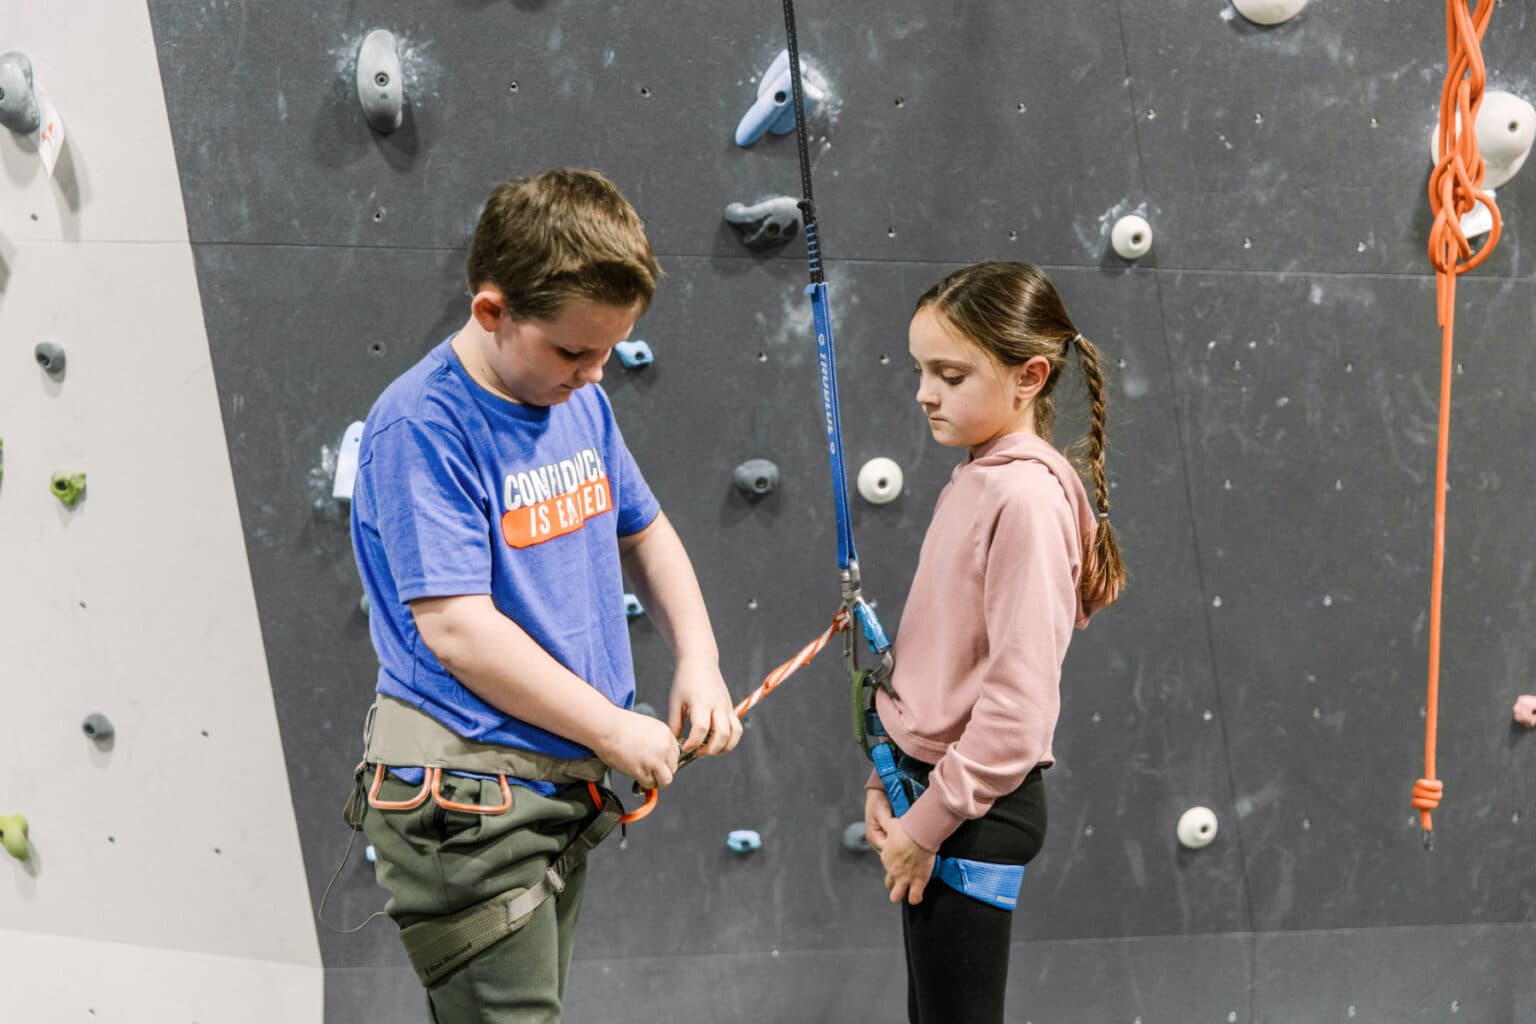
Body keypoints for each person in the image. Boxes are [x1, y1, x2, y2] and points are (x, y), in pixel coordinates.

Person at [347, 168, 742, 1022]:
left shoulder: (572, 400)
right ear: (492, 312)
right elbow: (458, 630)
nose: (595, 374)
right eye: (573, 350)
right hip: (472, 801)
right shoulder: (424, 425)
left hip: (556, 779)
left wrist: (700, 660)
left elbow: (646, 529)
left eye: (606, 350)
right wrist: (610, 727)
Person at [863, 261, 1125, 1023]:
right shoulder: (980, 476)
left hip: (973, 810)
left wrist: (927, 823)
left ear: (1029, 376)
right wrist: (890, 775)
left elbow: (1015, 714)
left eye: (949, 373)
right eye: (920, 370)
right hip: (939, 793)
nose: (924, 392)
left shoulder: (1024, 499)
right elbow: (944, 675)